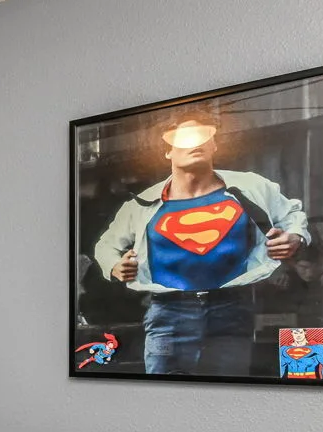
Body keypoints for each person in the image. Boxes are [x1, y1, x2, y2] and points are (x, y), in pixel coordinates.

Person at [93, 114, 311, 377]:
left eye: (203, 136)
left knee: (228, 390)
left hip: (231, 309)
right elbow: (106, 245)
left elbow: (292, 215)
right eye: (184, 139)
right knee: (162, 394)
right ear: (168, 151)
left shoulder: (249, 187)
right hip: (168, 313)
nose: (195, 144)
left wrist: (295, 236)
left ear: (214, 145)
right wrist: (114, 266)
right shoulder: (142, 203)